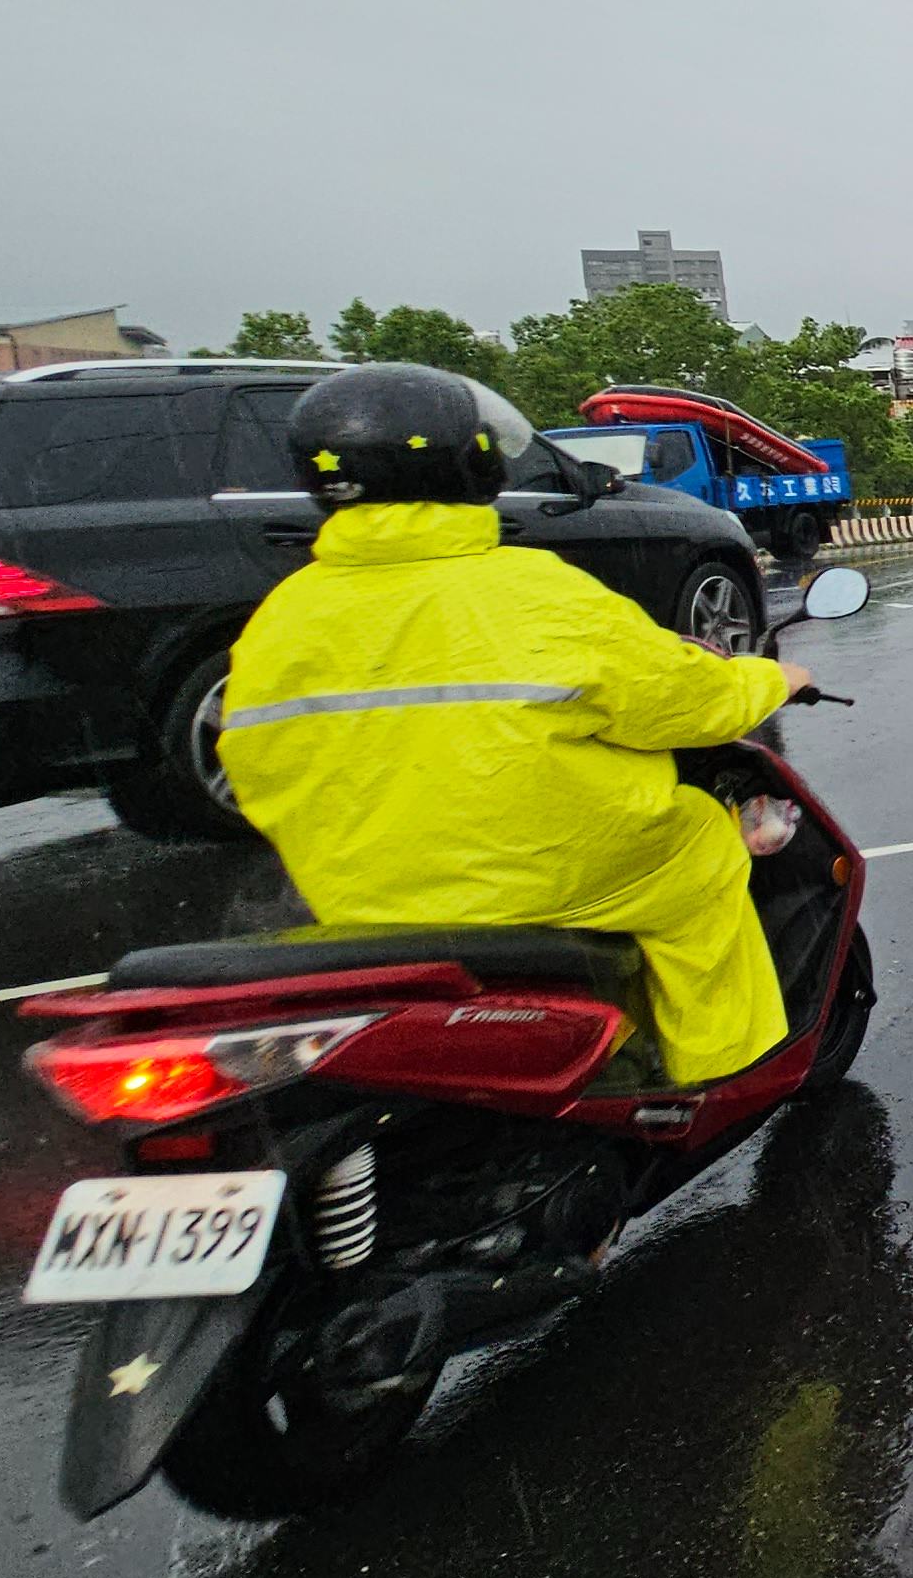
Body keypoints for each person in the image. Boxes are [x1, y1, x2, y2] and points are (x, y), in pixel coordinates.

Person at [216, 363, 811, 1086]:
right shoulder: (534, 591)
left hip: (358, 902)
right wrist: (770, 679)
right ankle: (726, 1076)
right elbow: (683, 701)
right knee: (700, 854)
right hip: (555, 880)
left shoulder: (282, 617)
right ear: (476, 464)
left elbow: (249, 764)